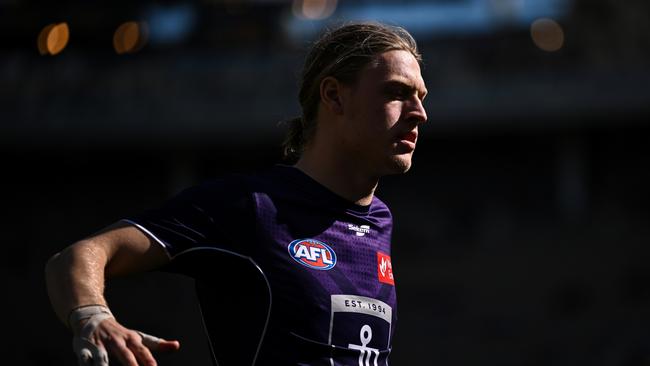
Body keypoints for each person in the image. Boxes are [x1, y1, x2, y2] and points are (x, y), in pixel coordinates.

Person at [45, 21, 427, 366]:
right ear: (334, 96)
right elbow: (77, 257)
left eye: (421, 97)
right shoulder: (251, 206)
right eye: (397, 93)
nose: (419, 113)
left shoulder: (379, 220)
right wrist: (93, 317)